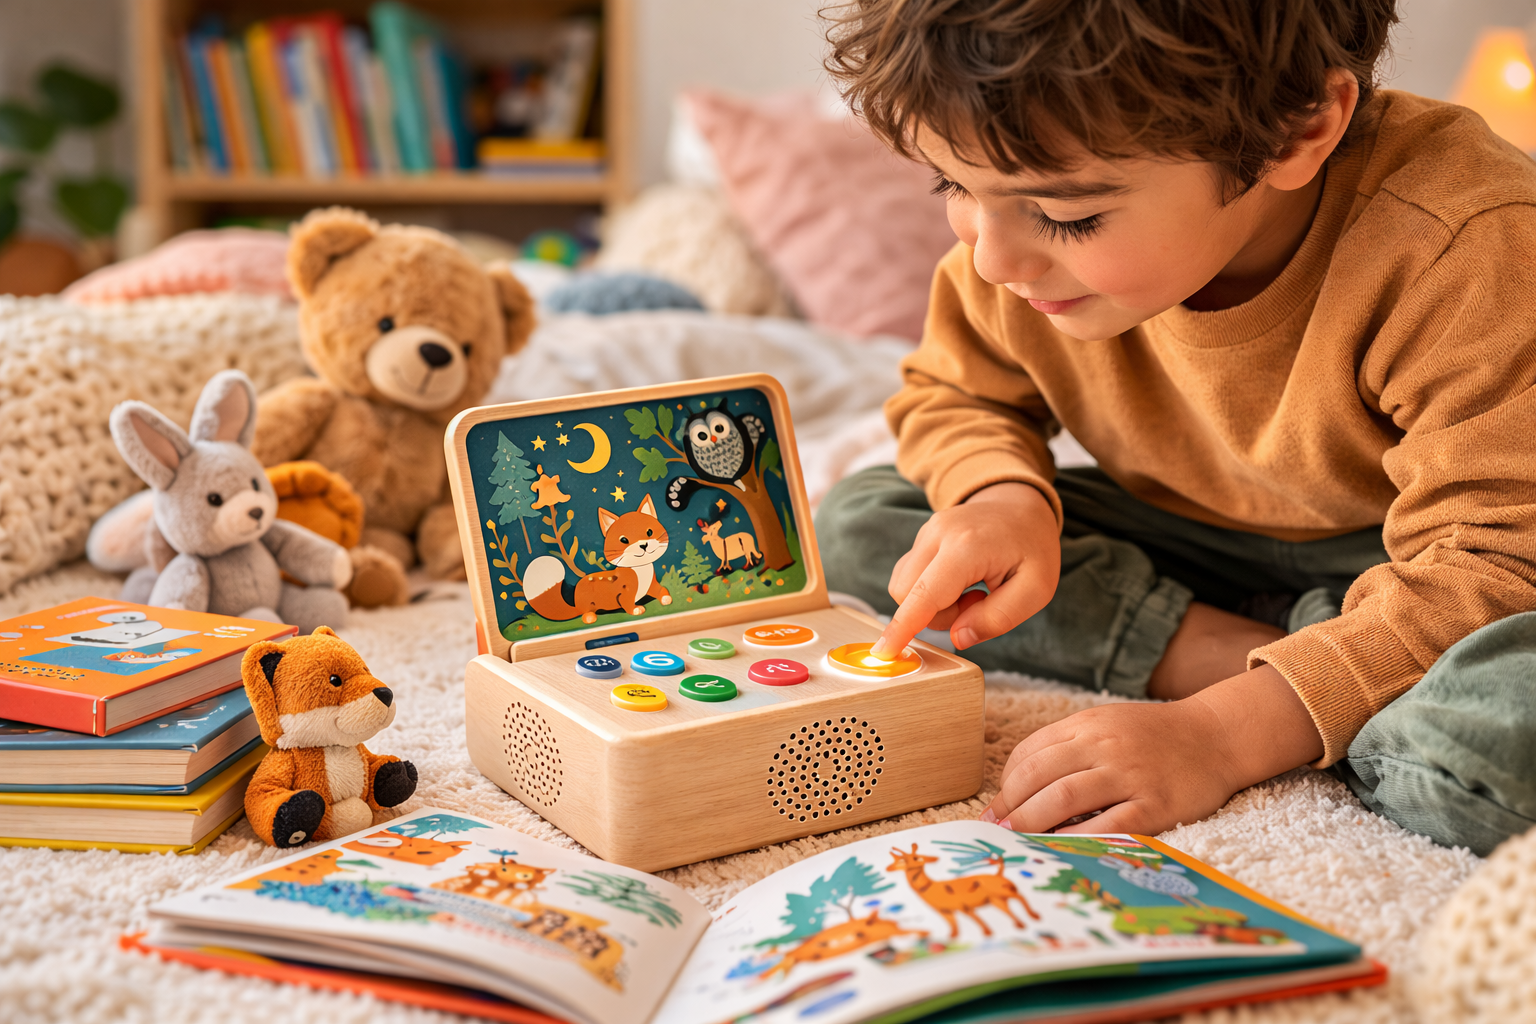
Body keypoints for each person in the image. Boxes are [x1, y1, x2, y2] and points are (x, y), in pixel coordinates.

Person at [814, 0, 1536, 856]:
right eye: (954, 188)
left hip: (1427, 553)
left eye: (1069, 216)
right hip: (1200, 535)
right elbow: (955, 393)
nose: (991, 259)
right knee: (869, 526)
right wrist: (1000, 495)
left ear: (1294, 133)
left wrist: (1222, 736)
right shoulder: (1012, 248)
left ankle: (1309, 677)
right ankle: (1294, 655)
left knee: (1488, 749)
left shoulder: (1467, 243)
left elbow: (1497, 560)